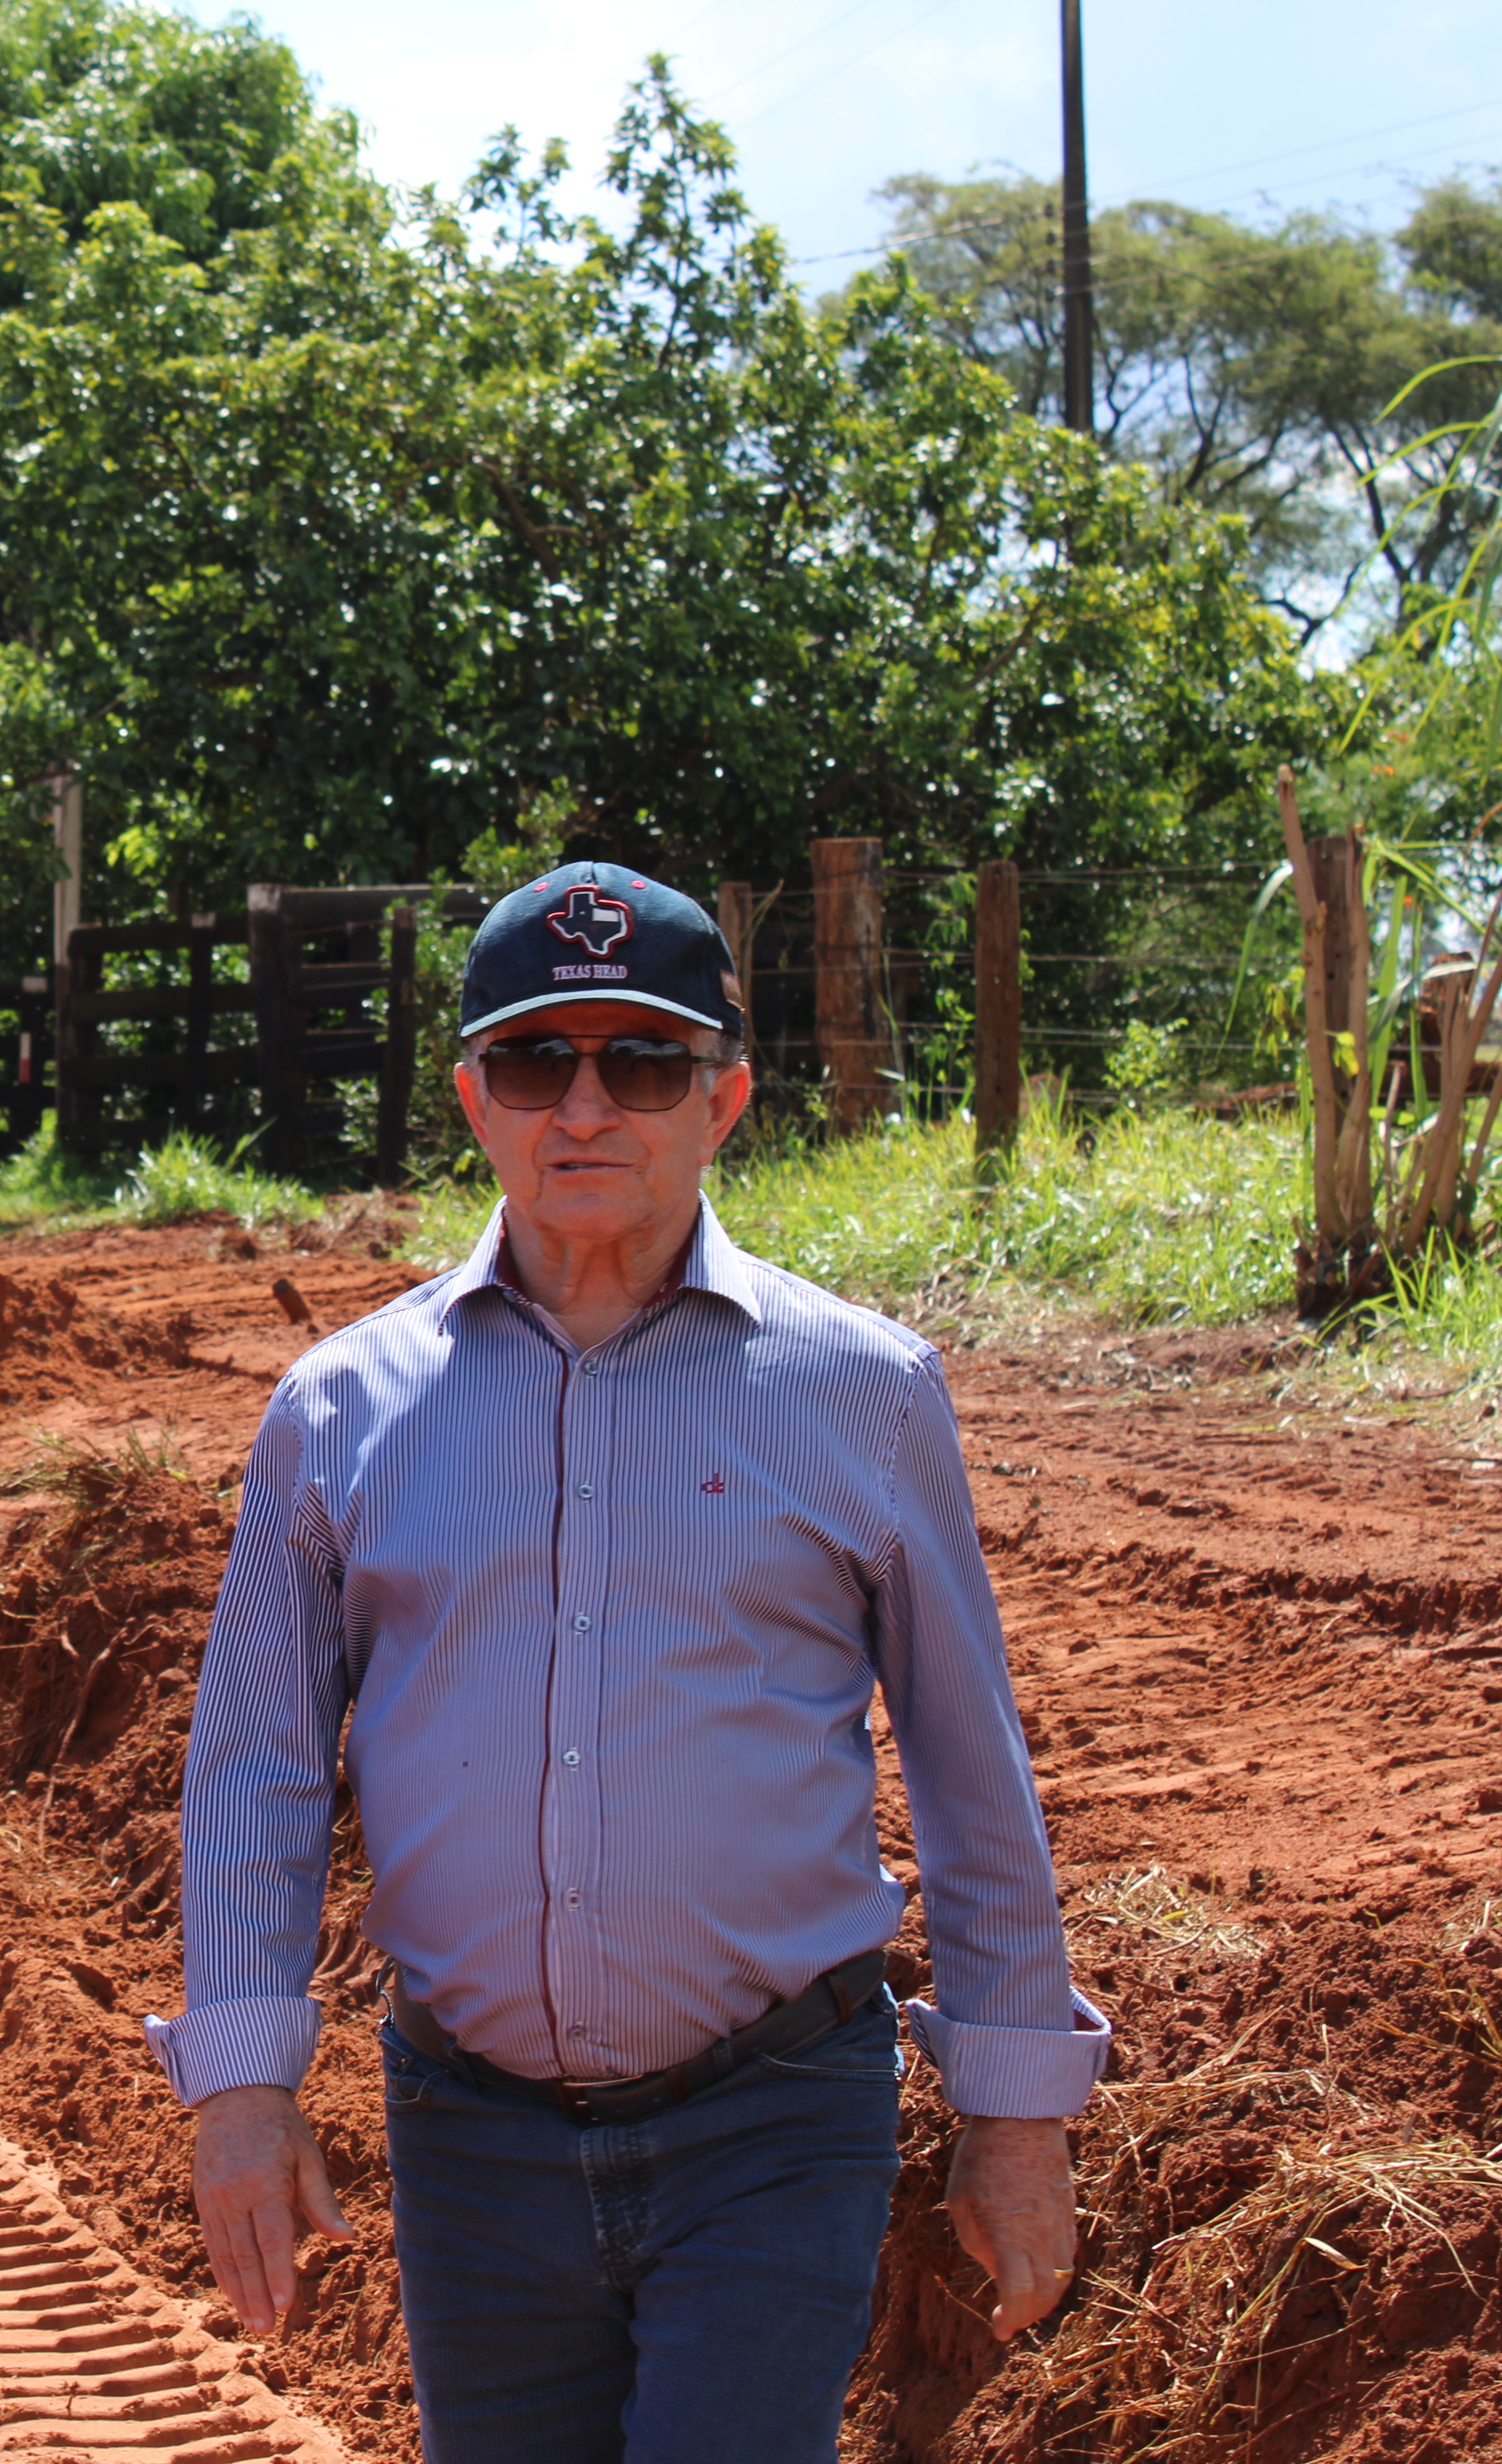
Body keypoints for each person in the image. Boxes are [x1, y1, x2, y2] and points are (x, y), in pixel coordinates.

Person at [153, 862, 1105, 2463]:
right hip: (469, 2138)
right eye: (537, 1063)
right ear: (474, 1099)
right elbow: (254, 1768)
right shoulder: (340, 1413)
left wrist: (1017, 2111)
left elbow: (965, 1759)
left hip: (777, 2118)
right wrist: (240, 2083)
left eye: (643, 1064)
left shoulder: (866, 1394)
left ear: (724, 1098)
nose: (584, 1108)